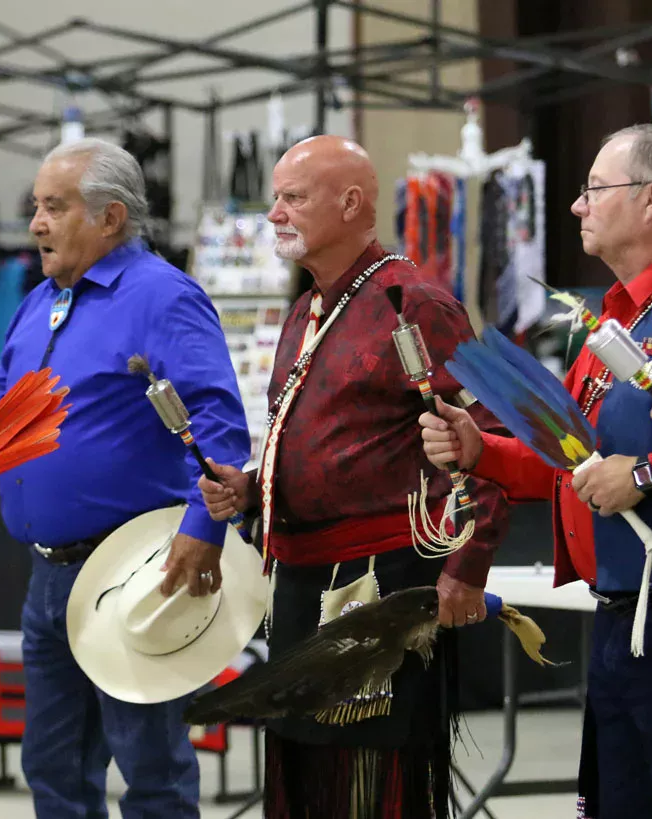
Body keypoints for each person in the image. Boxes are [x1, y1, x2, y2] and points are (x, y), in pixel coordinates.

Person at [0, 138, 250, 818]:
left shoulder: (164, 298)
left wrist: (202, 528)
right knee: (54, 767)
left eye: (53, 208)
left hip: (136, 570)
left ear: (110, 218)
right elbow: (13, 413)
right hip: (49, 578)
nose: (35, 224)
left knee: (150, 768)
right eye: (36, 207)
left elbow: (216, 421)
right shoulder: (40, 303)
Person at [197, 135, 510, 819]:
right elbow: (327, 437)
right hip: (302, 579)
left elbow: (490, 440)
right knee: (304, 772)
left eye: (294, 197)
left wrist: (469, 567)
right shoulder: (309, 308)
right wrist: (252, 487)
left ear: (351, 202)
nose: (275, 212)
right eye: (275, 197)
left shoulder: (413, 301)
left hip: (380, 583)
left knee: (371, 781)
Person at [420, 123, 652, 819]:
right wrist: (481, 451)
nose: (577, 206)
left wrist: (646, 477)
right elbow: (571, 462)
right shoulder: (618, 316)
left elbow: (628, 471)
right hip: (619, 615)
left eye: (593, 189)